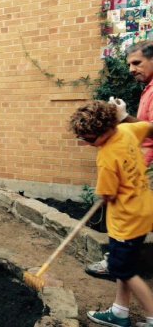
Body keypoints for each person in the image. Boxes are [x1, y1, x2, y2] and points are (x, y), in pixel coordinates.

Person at [69, 100, 153, 327]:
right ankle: (119, 312)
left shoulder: (106, 157)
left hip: (126, 221)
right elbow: (148, 127)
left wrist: (105, 194)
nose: (87, 144)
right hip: (143, 212)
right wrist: (124, 116)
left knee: (121, 269)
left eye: (89, 139)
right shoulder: (127, 129)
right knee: (125, 266)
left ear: (104, 131)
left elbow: (108, 194)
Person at [86, 40, 153, 280]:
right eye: (129, 64)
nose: (131, 69)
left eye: (137, 63)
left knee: (130, 218)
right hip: (142, 163)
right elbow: (143, 128)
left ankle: (120, 263)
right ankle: (120, 264)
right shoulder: (148, 88)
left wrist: (124, 117)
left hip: (148, 166)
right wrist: (125, 118)